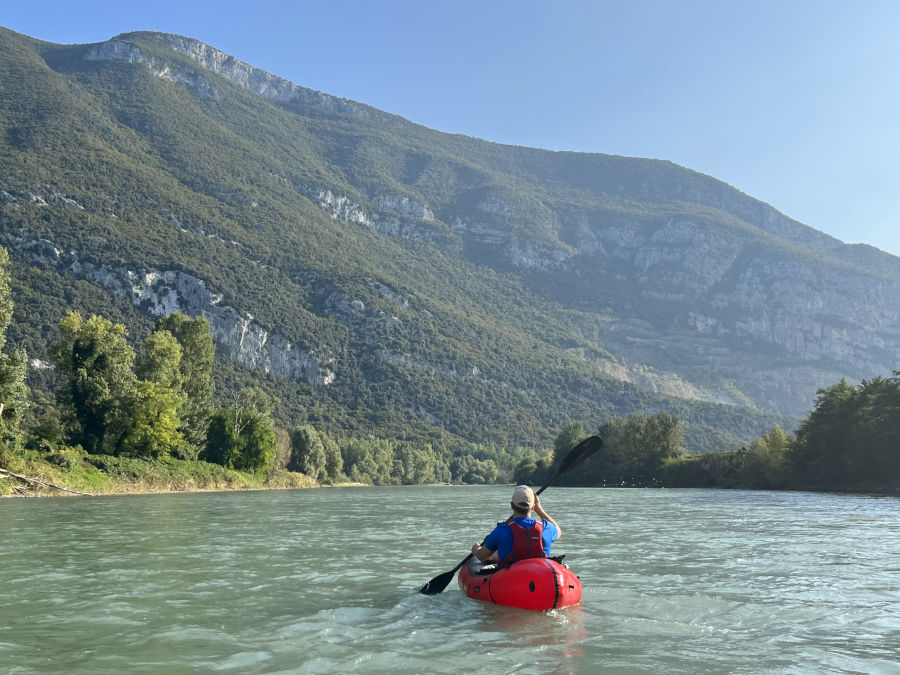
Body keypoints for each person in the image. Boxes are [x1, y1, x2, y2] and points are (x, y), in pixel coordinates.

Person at [470, 485, 561, 566]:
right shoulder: (546, 528)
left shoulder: (501, 530)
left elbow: (482, 557)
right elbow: (558, 530)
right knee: (497, 554)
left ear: (512, 505)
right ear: (533, 507)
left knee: (496, 553)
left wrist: (476, 550)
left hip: (511, 579)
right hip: (540, 576)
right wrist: (539, 509)